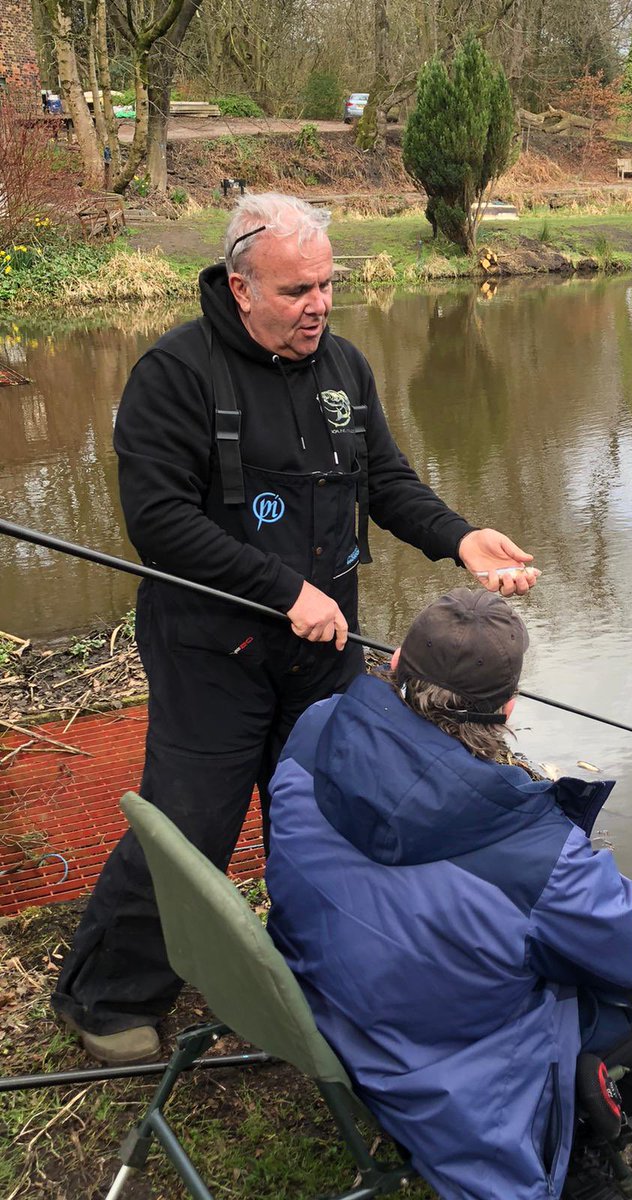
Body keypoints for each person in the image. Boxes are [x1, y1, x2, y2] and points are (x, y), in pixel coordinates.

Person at [51, 194, 539, 1065]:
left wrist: (458, 536)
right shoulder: (175, 373)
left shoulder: (345, 367)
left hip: (321, 646)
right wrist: (284, 590)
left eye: (327, 284)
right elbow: (158, 521)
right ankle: (106, 996)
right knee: (192, 820)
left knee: (320, 808)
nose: (318, 304)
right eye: (294, 290)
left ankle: (305, 966)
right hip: (211, 646)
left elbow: (385, 481)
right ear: (240, 287)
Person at [266, 588, 632, 1200]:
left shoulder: (318, 726)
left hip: (321, 999)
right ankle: (583, 1148)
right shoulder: (535, 852)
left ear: (396, 662)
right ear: (506, 710)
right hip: (436, 1080)